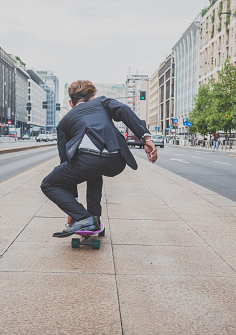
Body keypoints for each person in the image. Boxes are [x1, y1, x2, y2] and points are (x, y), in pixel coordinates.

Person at [41, 80, 158, 237]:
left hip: (87, 161)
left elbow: (66, 161)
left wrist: (73, 207)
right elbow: (123, 110)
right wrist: (146, 138)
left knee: (48, 183)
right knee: (93, 171)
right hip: (116, 160)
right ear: (92, 97)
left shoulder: (64, 123)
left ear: (70, 102)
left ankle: (84, 217)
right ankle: (94, 217)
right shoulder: (102, 101)